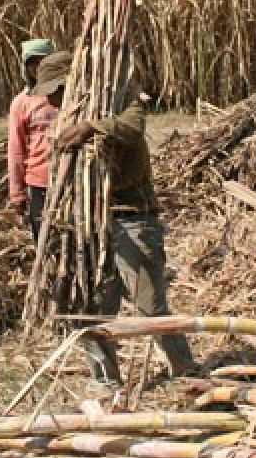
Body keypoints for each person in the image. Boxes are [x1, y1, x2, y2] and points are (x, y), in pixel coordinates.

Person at [29, 50, 197, 390]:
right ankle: (105, 380)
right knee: (88, 307)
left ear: (72, 83)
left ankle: (186, 372)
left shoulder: (126, 101)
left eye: (54, 90)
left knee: (151, 306)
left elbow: (132, 130)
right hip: (89, 226)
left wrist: (90, 127)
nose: (49, 98)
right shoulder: (63, 120)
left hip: (132, 221)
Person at [7, 38, 57, 240]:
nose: (38, 68)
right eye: (32, 63)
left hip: (75, 177)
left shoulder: (73, 95)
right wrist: (17, 193)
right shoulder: (22, 103)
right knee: (44, 240)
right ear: (25, 67)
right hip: (40, 182)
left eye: (43, 62)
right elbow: (16, 149)